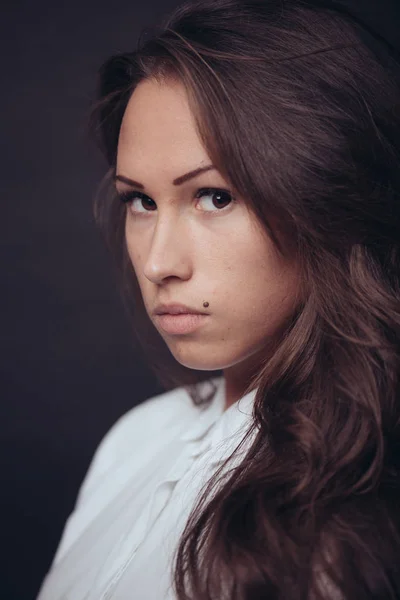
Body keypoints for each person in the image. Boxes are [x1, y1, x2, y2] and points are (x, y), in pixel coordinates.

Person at [37, 0, 400, 598]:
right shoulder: (135, 441)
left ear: (327, 194)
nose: (158, 264)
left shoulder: (361, 515)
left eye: (214, 197)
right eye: (140, 202)